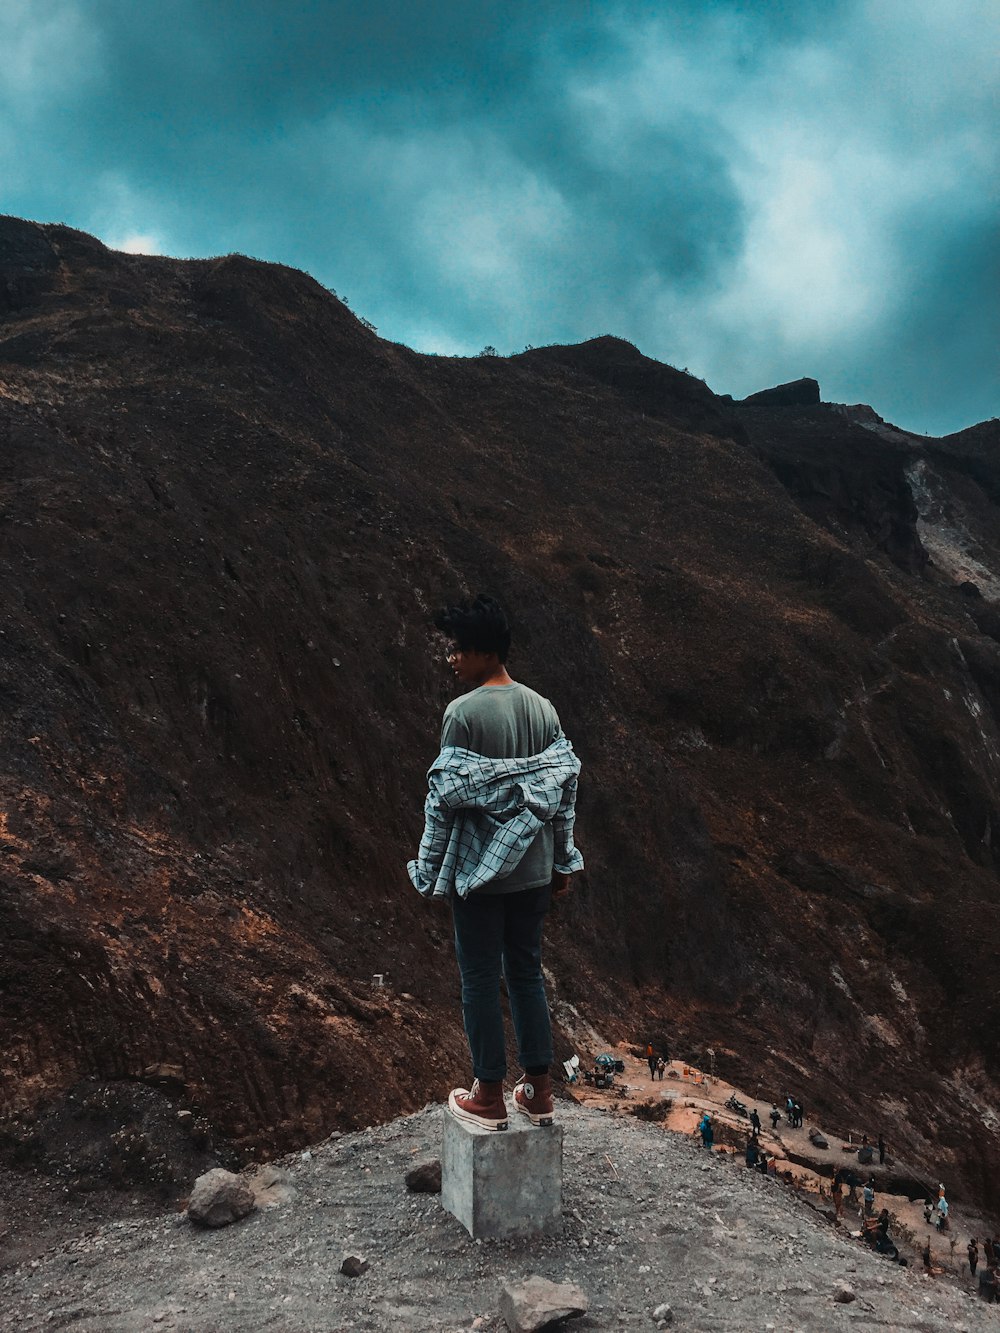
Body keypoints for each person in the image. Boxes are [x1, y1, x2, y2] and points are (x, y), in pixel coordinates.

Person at [409, 594, 584, 1131]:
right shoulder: (544, 708)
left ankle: (487, 1093)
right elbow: (562, 791)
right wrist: (562, 862)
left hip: (480, 874)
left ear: (486, 653)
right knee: (527, 973)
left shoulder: (462, 714)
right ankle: (538, 1089)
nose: (452, 659)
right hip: (533, 870)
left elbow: (445, 798)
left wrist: (428, 868)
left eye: (459, 650)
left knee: (480, 978)